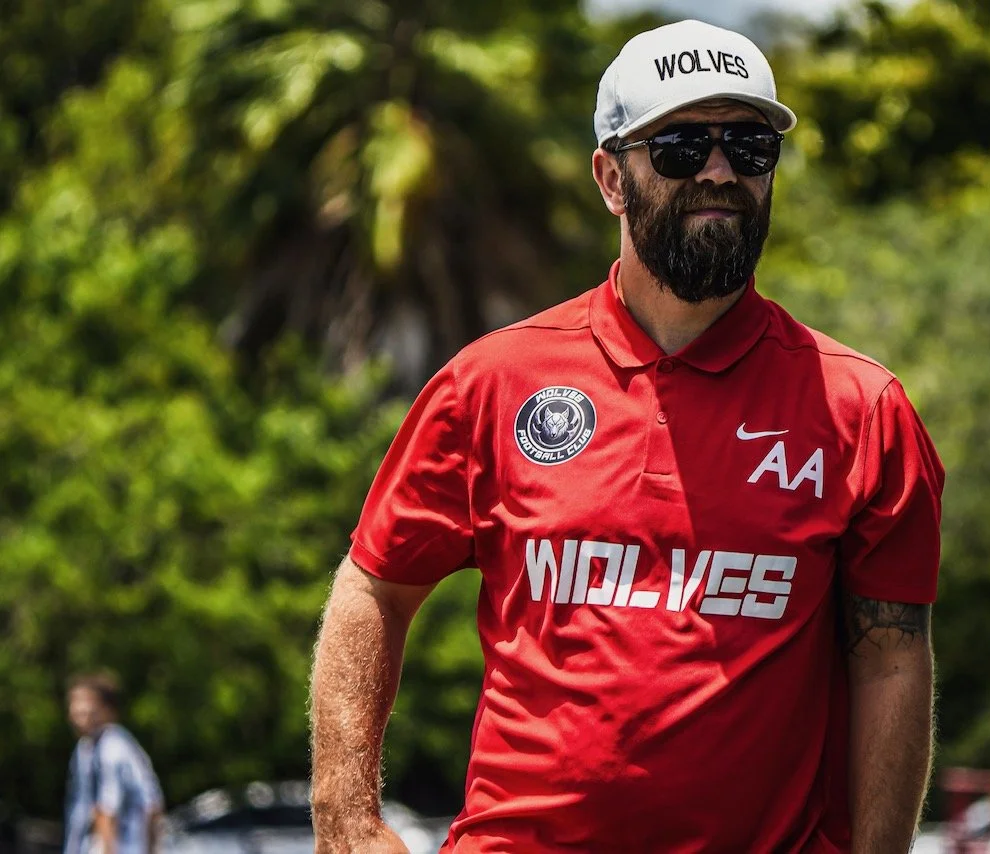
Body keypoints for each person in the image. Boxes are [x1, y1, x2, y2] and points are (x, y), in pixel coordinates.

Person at [310, 18, 944, 854]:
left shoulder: (862, 410)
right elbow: (374, 589)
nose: (720, 170)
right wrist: (345, 820)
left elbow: (892, 657)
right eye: (683, 145)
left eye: (749, 147)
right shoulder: (492, 383)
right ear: (611, 177)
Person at [63, 673, 164, 854]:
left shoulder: (111, 748)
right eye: (75, 706)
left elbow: (107, 811)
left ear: (107, 711)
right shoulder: (86, 747)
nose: (78, 712)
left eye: (87, 707)